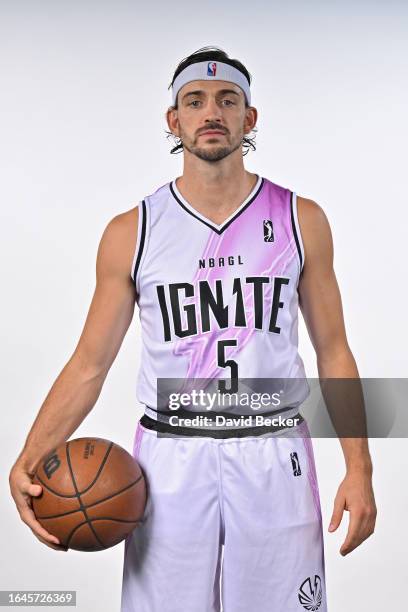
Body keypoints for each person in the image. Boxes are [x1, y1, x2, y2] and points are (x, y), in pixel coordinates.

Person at [9, 46, 377, 612]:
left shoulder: (301, 219)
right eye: (195, 100)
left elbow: (335, 353)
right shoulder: (133, 230)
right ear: (173, 120)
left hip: (272, 450)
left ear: (249, 118)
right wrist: (30, 457)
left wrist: (359, 468)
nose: (212, 112)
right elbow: (89, 363)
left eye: (228, 100)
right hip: (170, 456)